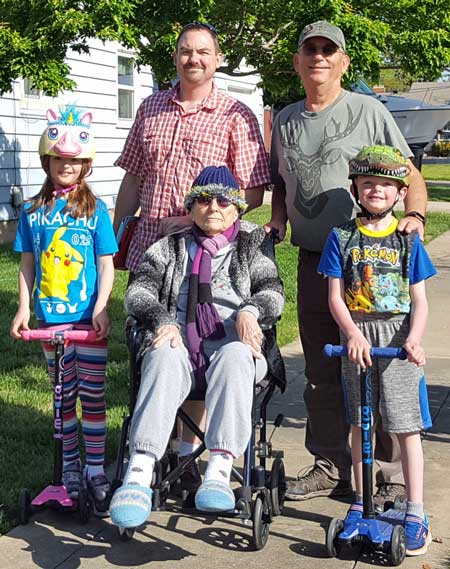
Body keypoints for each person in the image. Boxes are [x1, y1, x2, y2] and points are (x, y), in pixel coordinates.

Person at [268, 20, 429, 505]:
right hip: (317, 258)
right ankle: (330, 465)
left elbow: (409, 173)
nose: (319, 56)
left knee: (384, 362)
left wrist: (416, 214)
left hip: (372, 259)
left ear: (343, 62)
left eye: (328, 50)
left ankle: (389, 471)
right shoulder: (285, 119)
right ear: (297, 61)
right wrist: (278, 219)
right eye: (309, 49)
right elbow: (280, 182)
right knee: (323, 367)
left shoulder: (369, 110)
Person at [113, 21, 271, 488]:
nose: (193, 59)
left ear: (217, 58)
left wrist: (199, 216)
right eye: (185, 51)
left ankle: (188, 455)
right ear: (175, 56)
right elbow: (133, 178)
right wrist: (117, 232)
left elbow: (254, 191)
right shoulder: (151, 108)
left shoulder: (234, 115)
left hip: (210, 252)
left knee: (203, 338)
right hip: (152, 254)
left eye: (203, 51)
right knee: (161, 345)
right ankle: (158, 455)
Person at [109, 165, 285, 529]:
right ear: (190, 208)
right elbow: (138, 292)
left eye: (223, 200)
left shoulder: (252, 243)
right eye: (203, 200)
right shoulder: (168, 246)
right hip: (181, 345)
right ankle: (139, 474)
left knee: (237, 353)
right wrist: (162, 320)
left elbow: (273, 291)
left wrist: (251, 310)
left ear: (237, 207)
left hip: (234, 345)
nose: (213, 207)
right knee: (161, 354)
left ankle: (219, 469)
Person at [318, 145, 436, 556]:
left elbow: (419, 300)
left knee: (406, 425)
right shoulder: (342, 236)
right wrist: (350, 332)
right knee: (360, 422)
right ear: (355, 188)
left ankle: (416, 510)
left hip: (398, 339)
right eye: (368, 183)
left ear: (401, 192)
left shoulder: (408, 241)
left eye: (386, 184)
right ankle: (359, 497)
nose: (377, 191)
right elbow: (335, 296)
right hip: (359, 340)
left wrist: (415, 339)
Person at [10, 105, 117, 517]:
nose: (66, 165)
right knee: (62, 399)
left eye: (74, 160)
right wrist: (24, 308)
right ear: (47, 161)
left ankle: (94, 470)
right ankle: (69, 470)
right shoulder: (33, 212)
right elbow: (27, 265)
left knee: (91, 397)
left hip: (87, 322)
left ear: (85, 165)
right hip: (49, 323)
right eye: (59, 159)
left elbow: (106, 263)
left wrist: (103, 308)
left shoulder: (96, 211)